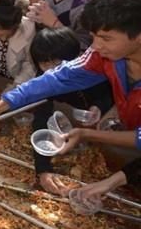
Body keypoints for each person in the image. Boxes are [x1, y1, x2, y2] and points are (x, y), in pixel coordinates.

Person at [0, 0, 141, 185]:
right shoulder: (101, 56)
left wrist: (88, 135)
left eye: (106, 38)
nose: (95, 45)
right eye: (93, 36)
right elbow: (55, 79)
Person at [27, 27, 113, 195]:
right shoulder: (44, 79)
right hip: (73, 123)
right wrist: (43, 169)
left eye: (57, 63)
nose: (52, 70)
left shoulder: (91, 68)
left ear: (73, 59)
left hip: (108, 119)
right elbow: (41, 119)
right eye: (45, 64)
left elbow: (109, 93)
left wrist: (99, 107)